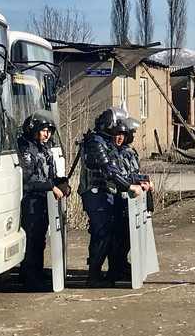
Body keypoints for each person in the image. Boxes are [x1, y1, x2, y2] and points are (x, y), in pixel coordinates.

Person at [79, 107, 142, 287]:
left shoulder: (106, 143)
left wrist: (136, 181)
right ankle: (93, 276)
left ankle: (108, 271)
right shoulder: (96, 143)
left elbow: (116, 169)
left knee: (110, 234)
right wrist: (129, 186)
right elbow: (109, 171)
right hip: (95, 193)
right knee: (102, 234)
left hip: (106, 194)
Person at [18, 110, 71, 286]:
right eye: (43, 130)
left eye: (49, 131)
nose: (47, 134)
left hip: (43, 201)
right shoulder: (26, 149)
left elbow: (50, 175)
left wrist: (62, 183)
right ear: (34, 130)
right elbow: (26, 179)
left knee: (40, 239)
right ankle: (29, 276)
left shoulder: (44, 149)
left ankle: (38, 272)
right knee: (32, 240)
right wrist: (51, 186)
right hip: (31, 201)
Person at [110, 117, 152, 282]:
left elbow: (132, 173)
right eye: (118, 133)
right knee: (118, 237)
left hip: (128, 198)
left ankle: (121, 265)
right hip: (118, 198)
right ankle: (115, 268)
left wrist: (144, 180)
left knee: (126, 236)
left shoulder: (125, 151)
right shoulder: (112, 152)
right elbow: (119, 176)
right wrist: (133, 183)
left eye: (124, 134)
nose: (121, 137)